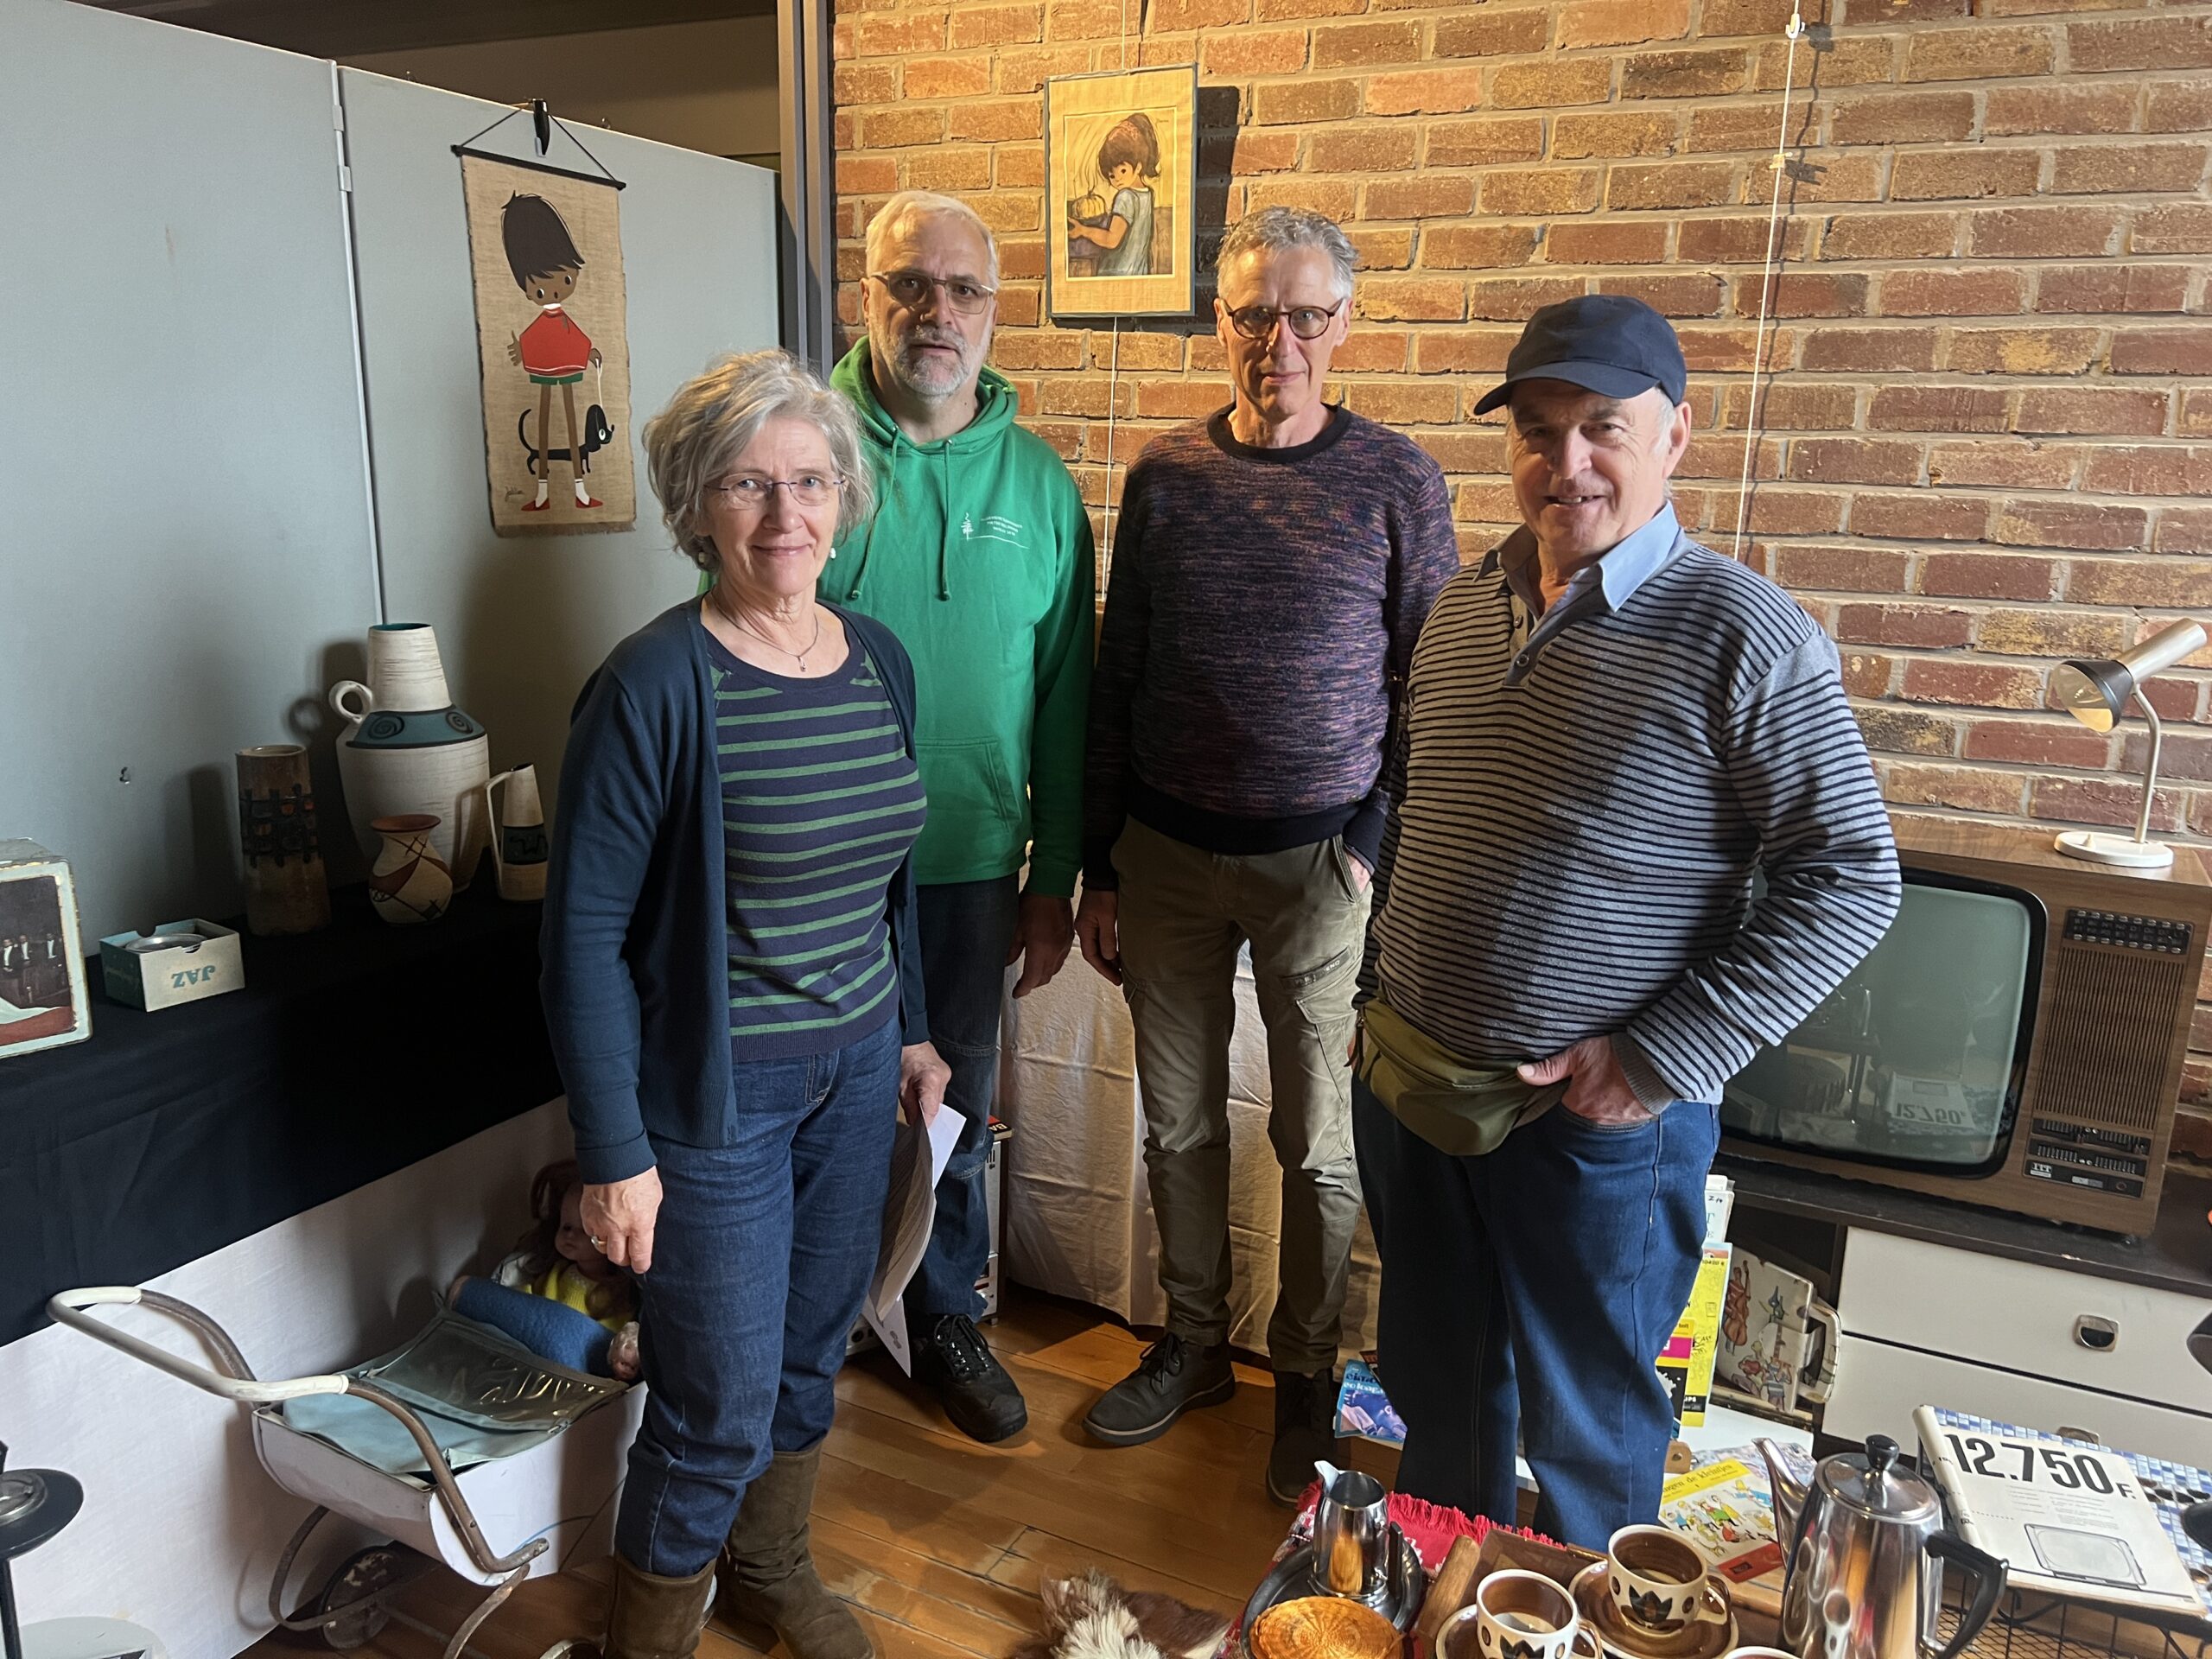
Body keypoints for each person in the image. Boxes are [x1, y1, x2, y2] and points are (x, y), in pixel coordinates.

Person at [1353, 295, 1901, 1548]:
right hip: (1412, 1092)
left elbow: (1853, 876)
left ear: (1677, 438)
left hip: (1593, 1124)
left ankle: (1599, 1627)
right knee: (1438, 1401)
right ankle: (1457, 1615)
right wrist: (1373, 1001)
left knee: (1591, 1429)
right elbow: (1421, 817)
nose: (1570, 462)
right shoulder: (1458, 609)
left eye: (1606, 426)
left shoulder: (1747, 635)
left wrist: (1652, 1059)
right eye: (1540, 431)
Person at [543, 348, 950, 1659]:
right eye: (749, 484)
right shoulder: (653, 686)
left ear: (845, 497)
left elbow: (893, 878)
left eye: (812, 480)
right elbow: (581, 941)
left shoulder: (877, 659)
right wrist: (616, 1156)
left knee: (805, 1353)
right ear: (695, 506)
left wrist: (917, 1028)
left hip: (854, 1071)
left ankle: (770, 1568)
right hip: (716, 1102)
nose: (788, 515)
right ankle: (646, 1638)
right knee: (710, 1397)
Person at [1074, 206, 1459, 1504]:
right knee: (1176, 1125)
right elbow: (1118, 674)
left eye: (1305, 315)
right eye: (1251, 313)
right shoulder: (1169, 474)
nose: (1275, 341)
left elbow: (1433, 686)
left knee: (1318, 1142)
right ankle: (1190, 1344)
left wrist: (1370, 844)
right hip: (1168, 858)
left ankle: (1302, 1372)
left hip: (1318, 872)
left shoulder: (1398, 481)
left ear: (1346, 324)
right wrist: (1097, 865)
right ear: (1220, 321)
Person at [825, 190, 1095, 1446]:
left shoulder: (1040, 487)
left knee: (955, 1112)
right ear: (862, 297)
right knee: (825, 1101)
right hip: (821, 870)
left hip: (976, 863)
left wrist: (1057, 874)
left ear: (995, 307)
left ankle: (943, 1317)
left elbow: (1066, 698)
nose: (937, 313)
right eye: (908, 285)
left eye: (964, 289)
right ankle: (817, 1316)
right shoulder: (806, 454)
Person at [448, 1159, 641, 1381]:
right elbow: (531, 1305)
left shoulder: (618, 1288)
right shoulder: (554, 1272)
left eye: (585, 1232)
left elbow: (611, 1333)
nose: (570, 1236)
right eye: (566, 1227)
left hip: (585, 1365)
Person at [499, 192, 604, 512]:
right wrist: (522, 349)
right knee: (544, 425)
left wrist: (588, 352)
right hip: (545, 370)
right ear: (527, 288)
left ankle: (580, 490)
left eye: (565, 278)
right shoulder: (542, 323)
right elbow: (535, 336)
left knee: (572, 426)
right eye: (540, 288)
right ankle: (543, 491)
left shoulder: (562, 320)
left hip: (567, 368)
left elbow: (575, 335)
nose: (555, 290)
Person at [1066, 114, 1159, 277]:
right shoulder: (1147, 195)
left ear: (1138, 167)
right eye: (1111, 175)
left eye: (1122, 170)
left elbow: (1111, 240)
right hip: (1138, 274)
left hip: (1116, 274)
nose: (1117, 179)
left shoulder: (1126, 197)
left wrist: (1083, 230)